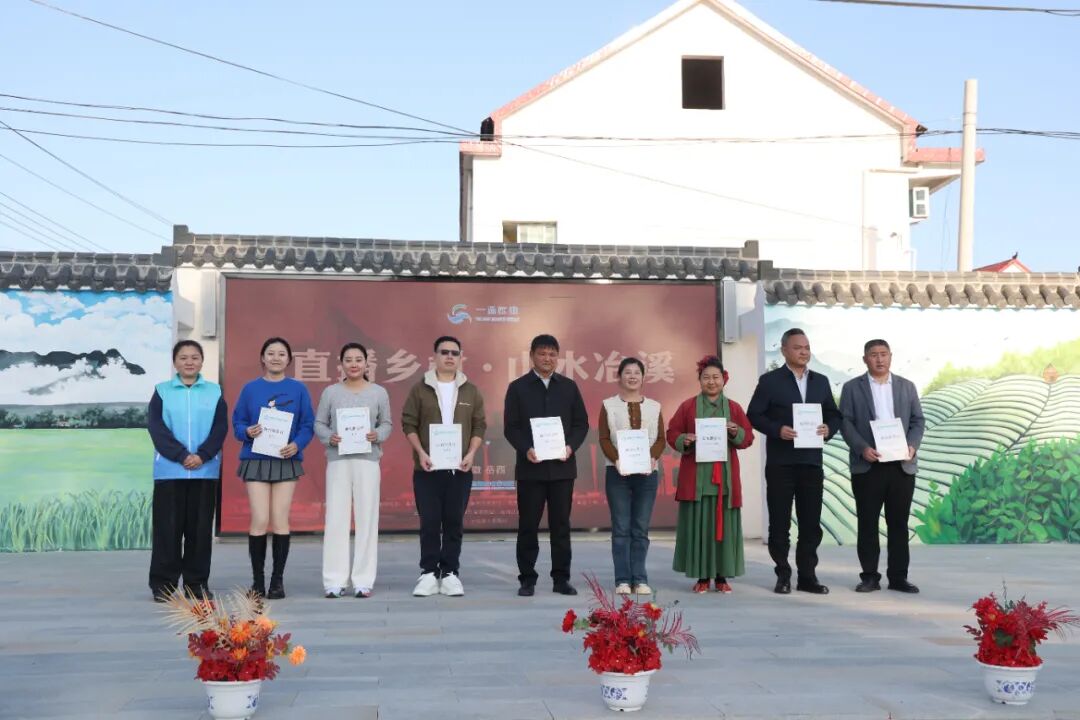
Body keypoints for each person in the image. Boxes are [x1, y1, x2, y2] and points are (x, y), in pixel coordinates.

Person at [747, 328, 841, 595]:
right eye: (798, 347)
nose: (804, 352)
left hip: (811, 462)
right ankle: (783, 574)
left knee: (811, 524)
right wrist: (778, 430)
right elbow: (754, 415)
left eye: (807, 347)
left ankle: (808, 576)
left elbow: (834, 415)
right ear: (784, 350)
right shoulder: (770, 381)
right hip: (781, 463)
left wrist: (828, 428)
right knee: (780, 524)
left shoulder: (821, 381)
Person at [401, 335, 487, 597]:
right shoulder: (420, 389)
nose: (450, 356)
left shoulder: (471, 391)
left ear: (460, 358)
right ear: (435, 356)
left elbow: (479, 425)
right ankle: (428, 573)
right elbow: (408, 423)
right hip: (427, 469)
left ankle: (450, 573)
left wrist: (471, 453)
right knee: (429, 522)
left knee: (453, 522)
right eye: (444, 352)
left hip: (459, 469)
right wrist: (421, 453)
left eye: (454, 353)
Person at [504, 334, 589, 597]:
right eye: (542, 353)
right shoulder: (518, 388)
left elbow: (581, 424)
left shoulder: (569, 387)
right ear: (532, 356)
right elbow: (511, 427)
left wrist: (570, 447)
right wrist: (526, 449)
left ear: (558, 357)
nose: (547, 358)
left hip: (562, 469)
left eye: (552, 354)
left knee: (561, 526)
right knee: (528, 525)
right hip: (531, 468)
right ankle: (527, 579)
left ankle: (561, 579)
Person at [839, 339, 925, 594]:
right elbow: (845, 422)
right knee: (867, 523)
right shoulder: (852, 388)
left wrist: (912, 446)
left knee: (898, 524)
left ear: (890, 356)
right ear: (865, 359)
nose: (879, 359)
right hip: (868, 465)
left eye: (884, 354)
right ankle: (869, 577)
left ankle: (898, 577)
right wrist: (862, 448)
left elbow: (918, 420)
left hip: (901, 465)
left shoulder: (907, 386)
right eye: (874, 354)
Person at [232, 337, 315, 599]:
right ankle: (257, 582)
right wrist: (247, 431)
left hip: (285, 460)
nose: (276, 358)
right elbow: (237, 423)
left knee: (280, 519)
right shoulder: (250, 389)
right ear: (262, 358)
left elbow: (307, 424)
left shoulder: (298, 389)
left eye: (281, 354)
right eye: (271, 353)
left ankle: (277, 582)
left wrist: (296, 445)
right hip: (255, 459)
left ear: (289, 359)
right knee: (259, 519)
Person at [147, 339, 228, 602]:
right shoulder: (162, 392)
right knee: (167, 531)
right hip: (170, 472)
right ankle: (163, 585)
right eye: (183, 357)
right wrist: (182, 456)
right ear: (175, 362)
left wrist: (202, 455)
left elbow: (220, 428)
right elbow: (157, 428)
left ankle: (197, 584)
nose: (189, 362)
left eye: (194, 357)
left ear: (202, 361)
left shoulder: (215, 392)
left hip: (205, 472)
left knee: (200, 532)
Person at [667, 356, 754, 594]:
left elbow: (748, 437)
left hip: (725, 481)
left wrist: (735, 431)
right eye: (706, 377)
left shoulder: (733, 408)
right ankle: (703, 577)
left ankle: (722, 577)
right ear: (700, 380)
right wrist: (684, 439)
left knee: (724, 531)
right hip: (697, 479)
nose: (711, 382)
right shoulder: (688, 406)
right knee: (700, 531)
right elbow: (672, 432)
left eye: (716, 377)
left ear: (724, 379)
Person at [314, 343, 392, 599]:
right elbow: (319, 423)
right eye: (348, 359)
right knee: (336, 519)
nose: (354, 364)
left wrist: (376, 434)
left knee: (367, 519)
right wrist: (330, 437)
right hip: (338, 461)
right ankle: (334, 581)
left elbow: (387, 424)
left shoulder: (378, 393)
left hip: (368, 461)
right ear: (341, 364)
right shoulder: (331, 392)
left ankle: (363, 580)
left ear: (367, 363)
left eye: (359, 359)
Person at [597, 357, 666, 596]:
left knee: (640, 528)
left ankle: (640, 578)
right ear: (619, 377)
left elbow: (661, 439)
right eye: (627, 372)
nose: (632, 376)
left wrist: (653, 457)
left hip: (647, 474)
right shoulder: (608, 405)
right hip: (617, 473)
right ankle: (623, 580)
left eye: (637, 372)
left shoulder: (654, 407)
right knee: (621, 527)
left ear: (643, 377)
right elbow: (604, 438)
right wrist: (617, 459)